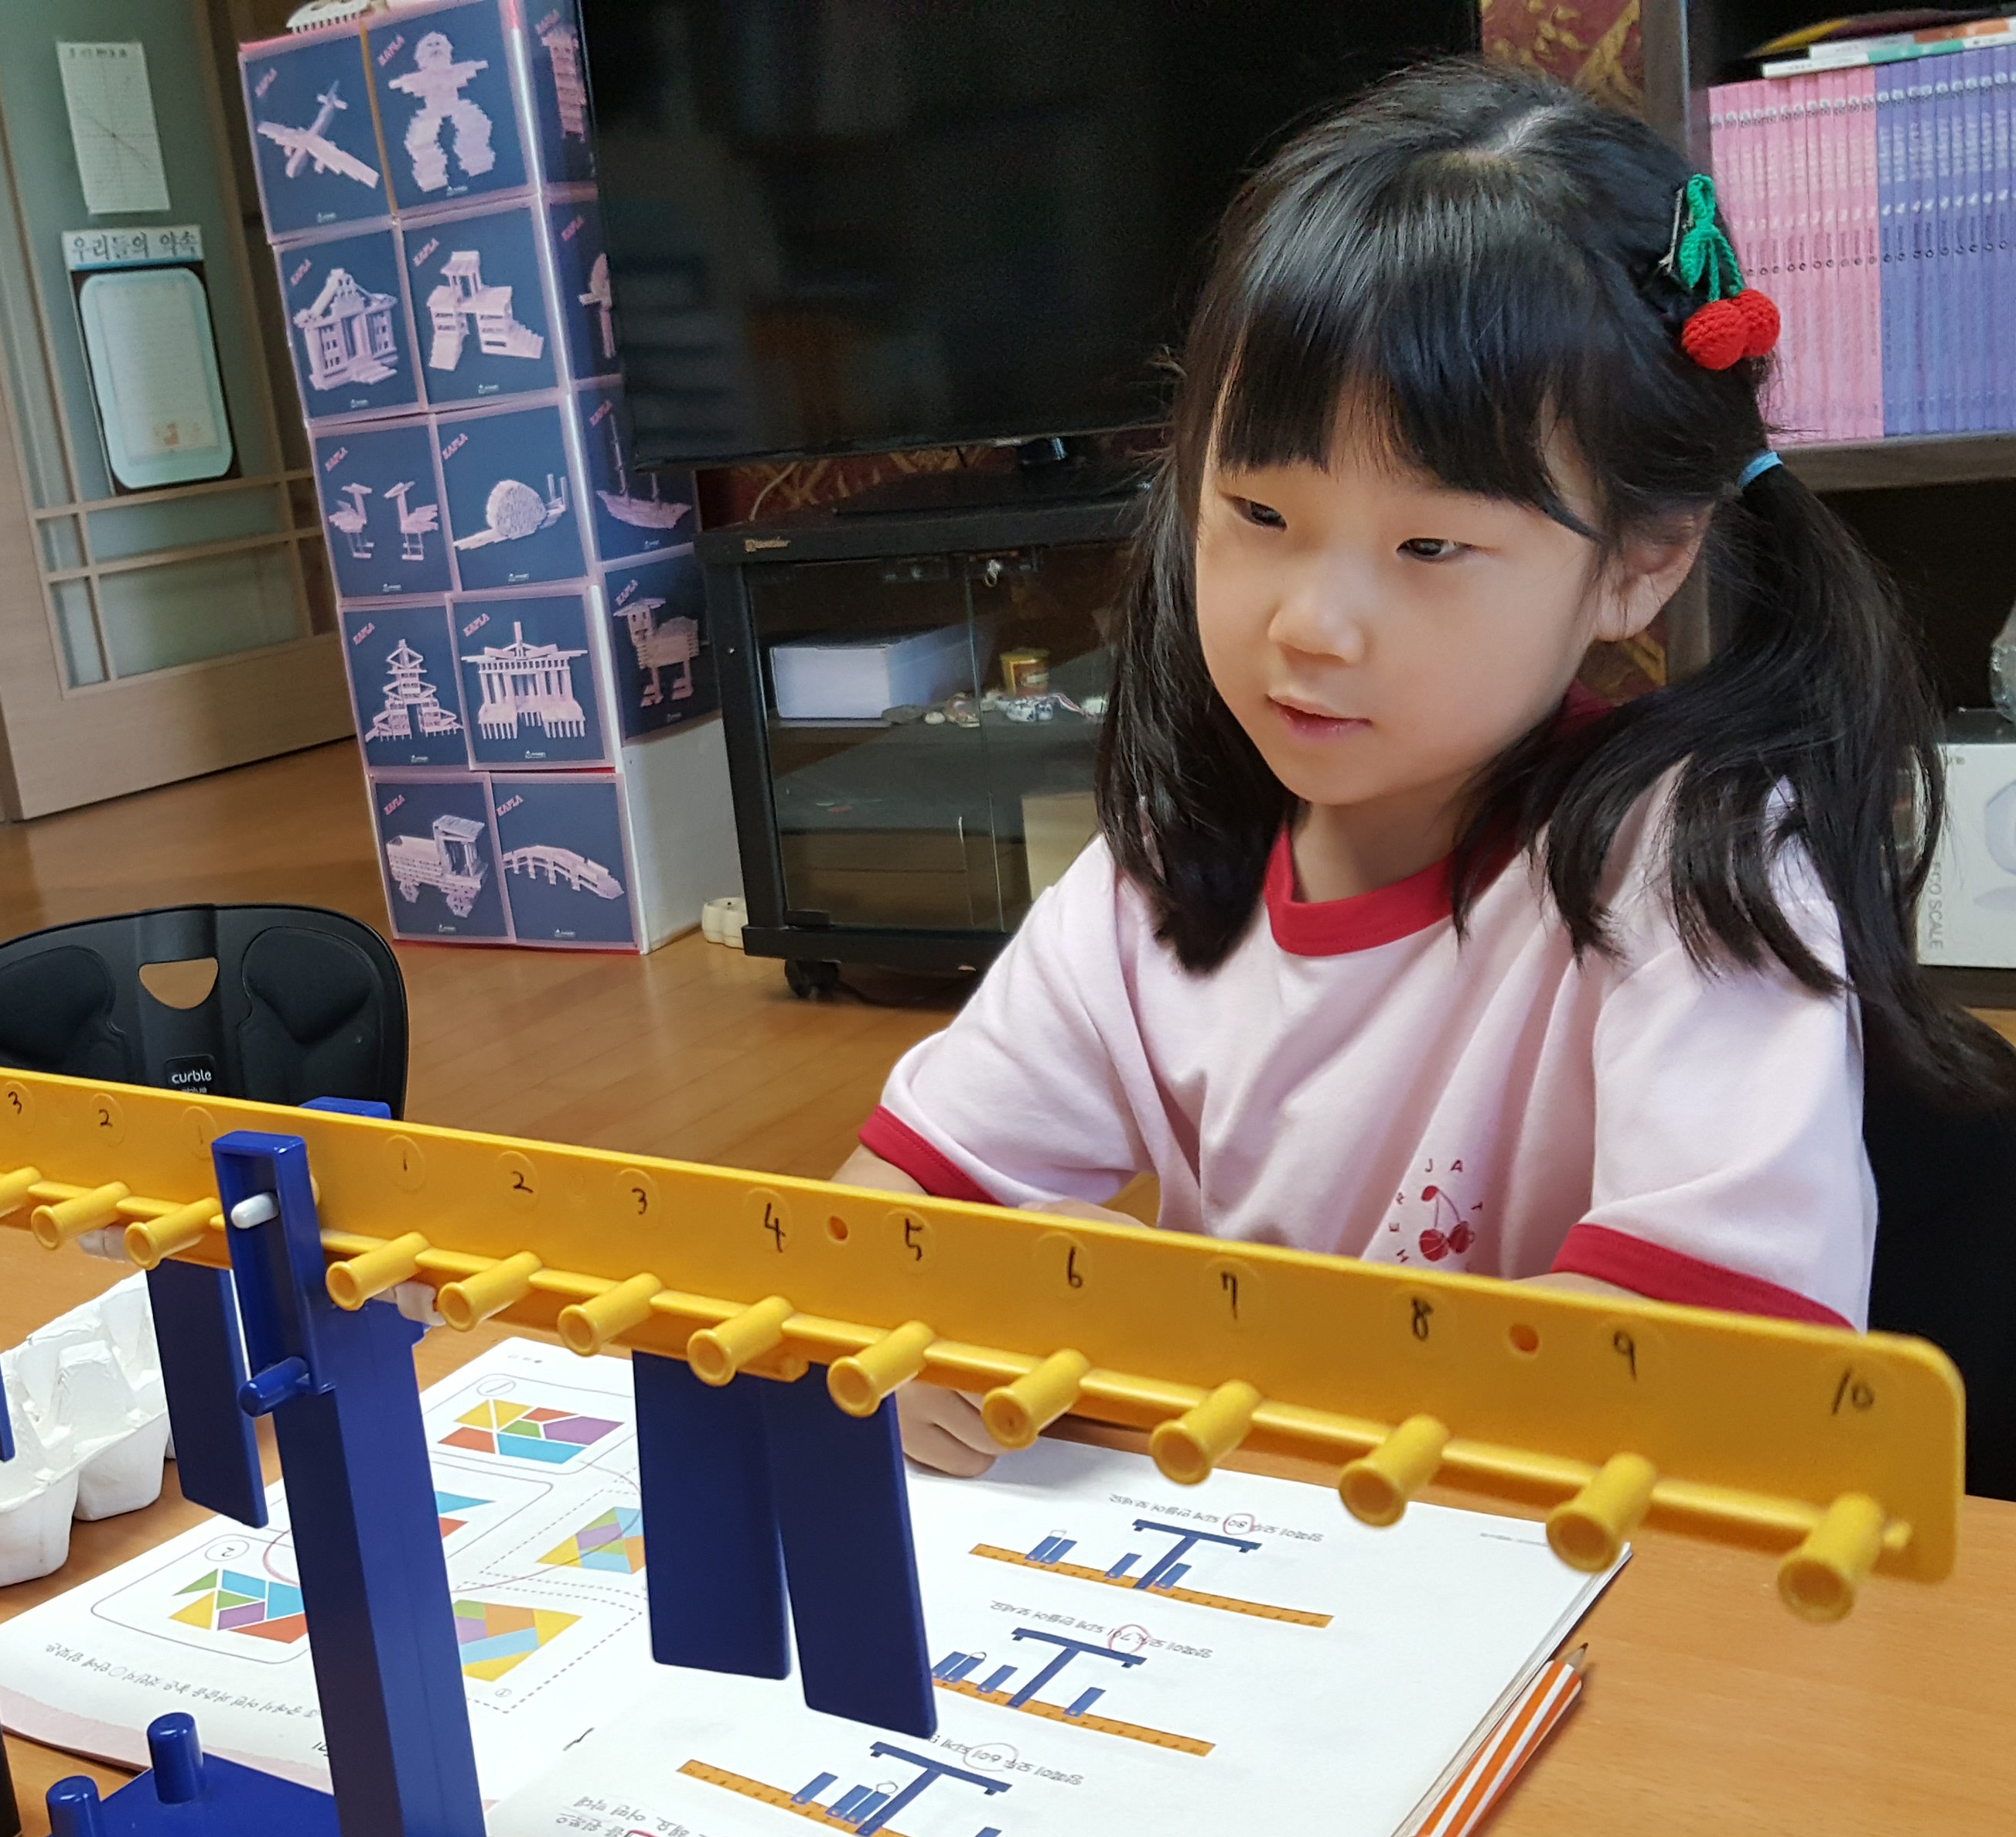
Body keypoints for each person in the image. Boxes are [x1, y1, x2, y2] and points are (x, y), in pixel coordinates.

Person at [835, 62, 2016, 1476]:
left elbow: (1709, 1384)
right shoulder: (1151, 882)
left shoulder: (1694, 871)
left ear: (1643, 560)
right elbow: (875, 1228)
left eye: (1429, 545)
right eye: (1258, 511)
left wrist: (1170, 1336)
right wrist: (927, 1321)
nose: (1312, 624)